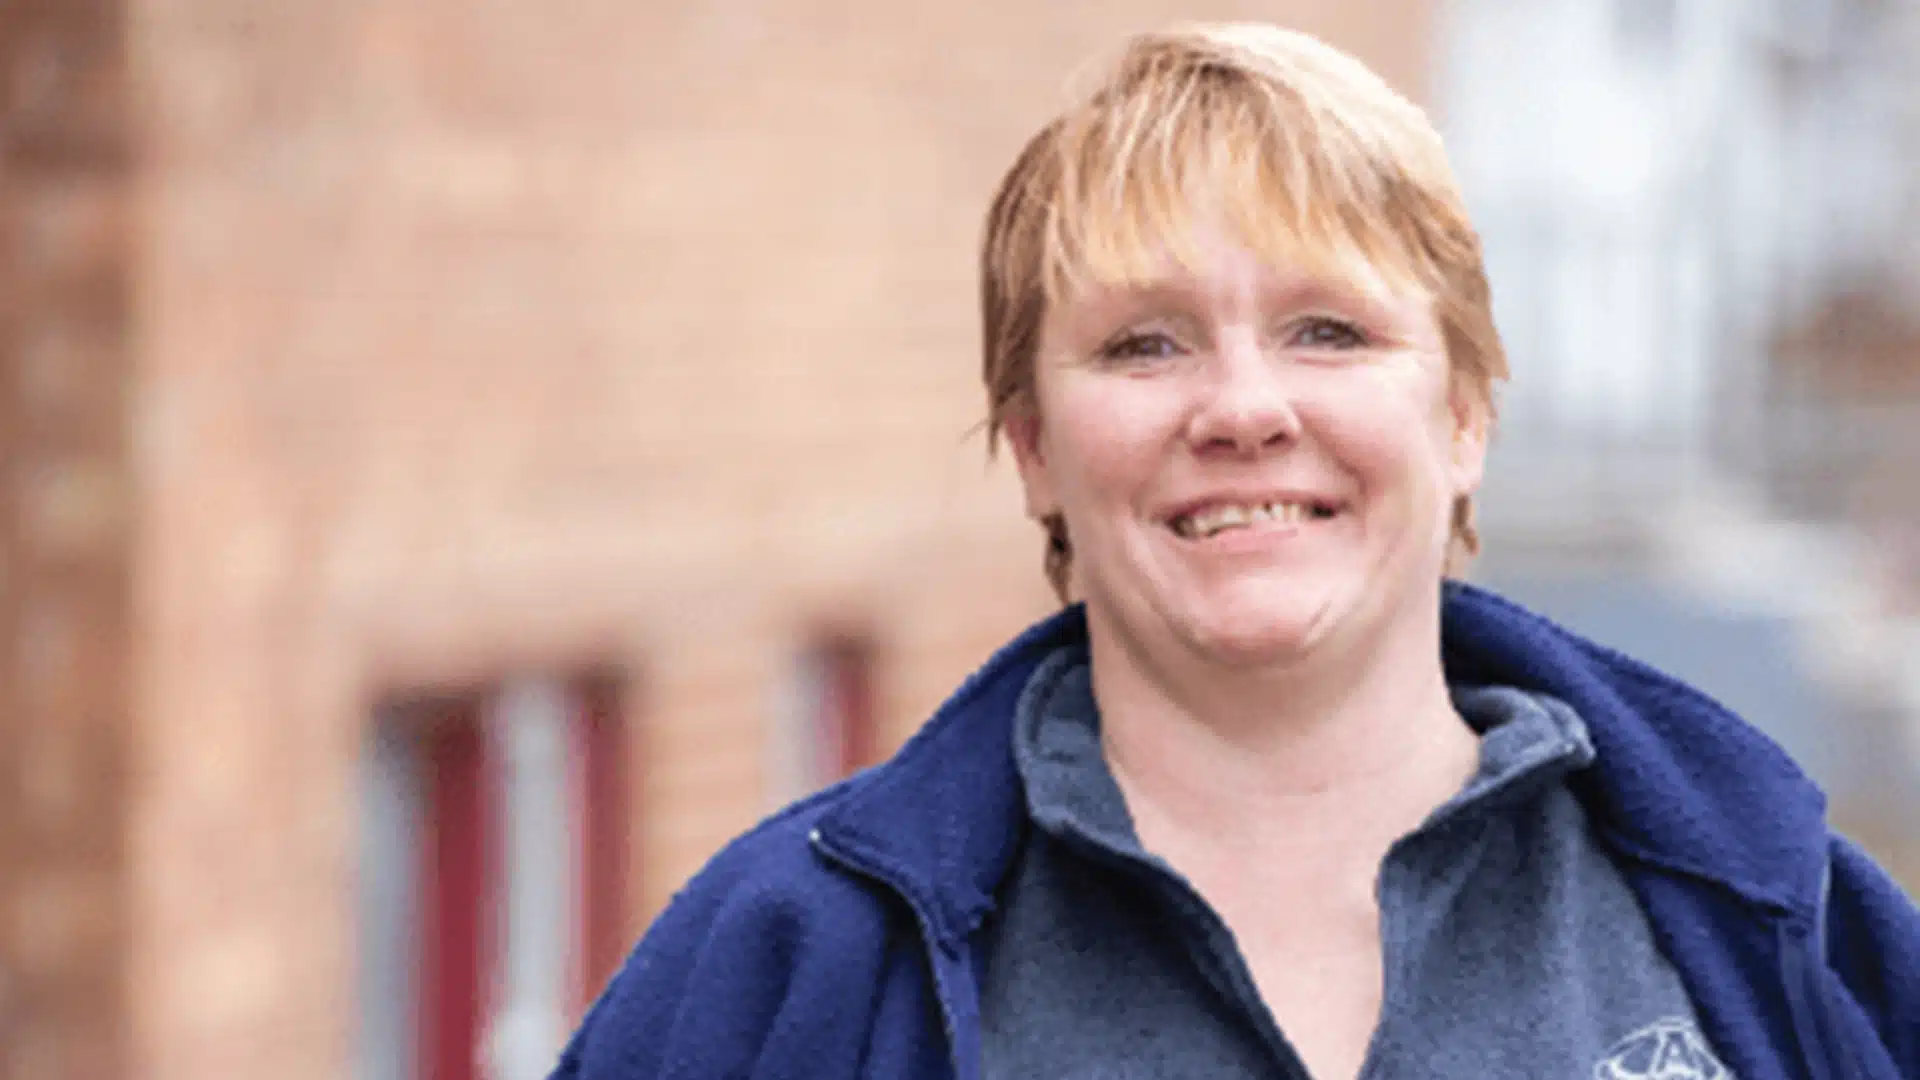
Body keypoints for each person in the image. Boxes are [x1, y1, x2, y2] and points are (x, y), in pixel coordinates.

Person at [552, 22, 1920, 1080]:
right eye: (1145, 344)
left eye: (1328, 331)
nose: (1244, 409)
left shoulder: (1778, 920)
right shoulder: (786, 965)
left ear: (1462, 419)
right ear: (1034, 449)